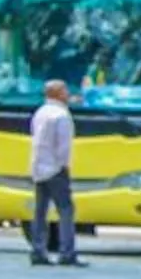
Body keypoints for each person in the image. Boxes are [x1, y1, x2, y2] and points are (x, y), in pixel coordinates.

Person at [28, 79, 81, 267]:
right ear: (58, 93)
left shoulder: (40, 113)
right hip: (56, 169)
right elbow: (63, 146)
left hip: (38, 168)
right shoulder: (62, 115)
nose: (67, 94)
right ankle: (67, 253)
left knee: (40, 211)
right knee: (66, 210)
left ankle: (38, 250)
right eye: (65, 90)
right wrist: (64, 166)